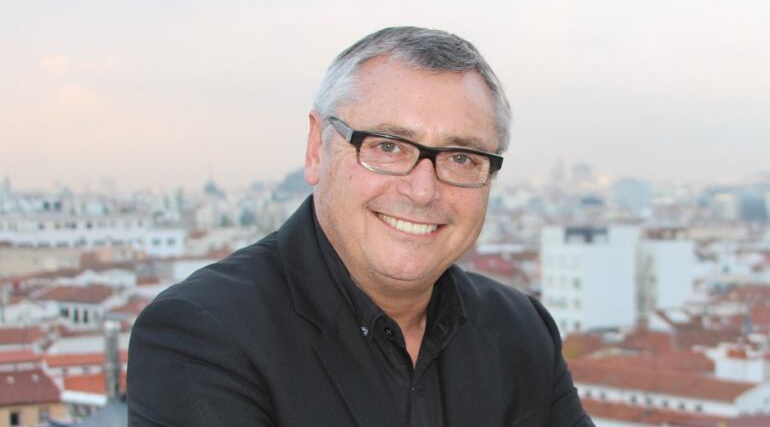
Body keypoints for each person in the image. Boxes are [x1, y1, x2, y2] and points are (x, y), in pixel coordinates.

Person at [127, 26, 594, 427]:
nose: (422, 190)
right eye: (388, 146)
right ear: (317, 148)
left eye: (461, 157)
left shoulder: (521, 330)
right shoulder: (203, 334)